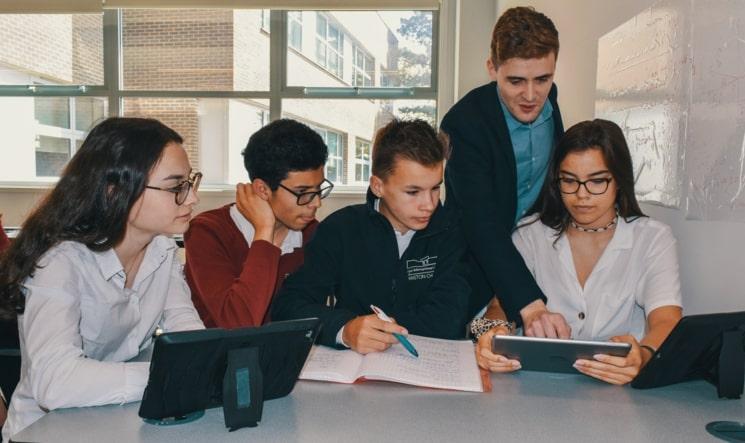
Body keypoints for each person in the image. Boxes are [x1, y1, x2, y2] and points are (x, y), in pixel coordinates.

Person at [0, 117, 205, 440]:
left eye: (191, 182)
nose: (192, 197)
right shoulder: (59, 262)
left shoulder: (161, 251)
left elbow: (188, 334)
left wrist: (211, 361)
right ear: (115, 191)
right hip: (45, 431)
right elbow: (55, 382)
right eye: (176, 187)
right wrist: (168, 375)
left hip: (112, 420)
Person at [473, 119, 683, 385]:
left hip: (616, 393)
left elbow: (667, 320)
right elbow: (495, 308)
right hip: (535, 387)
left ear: (619, 180)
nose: (581, 195)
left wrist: (643, 355)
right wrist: (488, 335)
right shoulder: (530, 234)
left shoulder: (652, 238)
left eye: (597, 182)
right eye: (569, 181)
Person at [272, 119, 470, 354]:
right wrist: (346, 329)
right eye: (413, 192)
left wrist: (377, 331)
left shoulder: (453, 232)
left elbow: (449, 319)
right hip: (356, 370)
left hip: (433, 368)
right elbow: (290, 306)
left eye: (436, 188)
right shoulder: (340, 229)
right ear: (378, 186)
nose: (428, 204)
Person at [441, 6, 571, 338]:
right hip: (476, 264)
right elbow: (479, 222)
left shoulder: (549, 99)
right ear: (492, 68)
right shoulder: (464, 123)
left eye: (542, 79)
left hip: (536, 256)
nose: (531, 96)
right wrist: (530, 303)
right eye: (515, 81)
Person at [184, 119, 330, 328]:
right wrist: (264, 232)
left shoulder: (312, 234)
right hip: (222, 357)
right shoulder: (207, 232)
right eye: (303, 193)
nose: (316, 203)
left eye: (318, 189)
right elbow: (238, 323)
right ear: (262, 189)